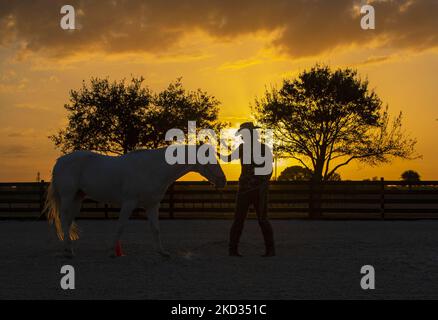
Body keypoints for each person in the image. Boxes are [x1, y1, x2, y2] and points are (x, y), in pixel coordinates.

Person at [218, 122, 275, 257]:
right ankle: (233, 249)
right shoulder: (244, 148)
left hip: (257, 190)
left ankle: (269, 249)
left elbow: (269, 170)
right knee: (239, 220)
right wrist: (214, 151)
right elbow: (228, 158)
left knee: (261, 219)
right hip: (246, 190)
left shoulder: (263, 149)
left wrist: (262, 182)